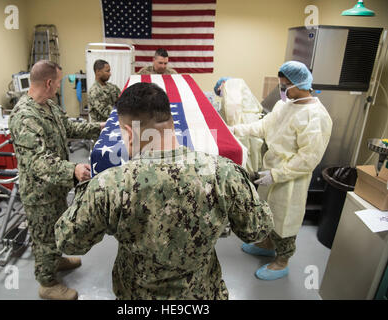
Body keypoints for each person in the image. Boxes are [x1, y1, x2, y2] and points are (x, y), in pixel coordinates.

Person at [55, 82, 274, 299]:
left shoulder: (110, 184)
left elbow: (69, 241)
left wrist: (89, 193)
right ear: (170, 122)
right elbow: (256, 230)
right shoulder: (225, 173)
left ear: (129, 132)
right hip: (202, 295)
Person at [8, 60, 104, 300]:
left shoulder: (47, 106)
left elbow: (68, 127)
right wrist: (71, 171)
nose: (59, 86)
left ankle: (57, 260)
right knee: (44, 237)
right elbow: (37, 161)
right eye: (59, 82)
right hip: (39, 193)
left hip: (54, 187)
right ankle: (47, 283)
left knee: (56, 229)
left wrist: (100, 127)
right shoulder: (25, 116)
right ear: (49, 83)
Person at [231, 61, 333, 281]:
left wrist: (277, 175)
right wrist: (235, 130)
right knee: (268, 213)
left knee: (285, 219)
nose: (282, 91)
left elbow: (308, 159)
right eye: (281, 86)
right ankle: (267, 245)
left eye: (286, 86)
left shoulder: (316, 116)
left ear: (301, 84)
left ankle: (282, 261)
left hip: (290, 180)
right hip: (271, 171)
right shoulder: (284, 105)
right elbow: (263, 126)